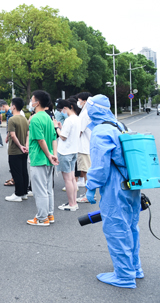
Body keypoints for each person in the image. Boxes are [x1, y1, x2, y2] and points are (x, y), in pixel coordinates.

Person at [84, 94, 143, 288]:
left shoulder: (101, 130)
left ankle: (124, 276)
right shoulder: (121, 126)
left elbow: (100, 166)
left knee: (116, 228)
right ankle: (135, 268)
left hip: (115, 186)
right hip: (132, 184)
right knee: (131, 227)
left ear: (93, 109)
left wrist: (91, 187)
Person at [26, 90, 59, 226]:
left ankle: (42, 218)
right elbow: (54, 138)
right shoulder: (48, 118)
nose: (31, 102)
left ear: (37, 102)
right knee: (48, 188)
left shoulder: (35, 119)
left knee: (39, 190)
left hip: (39, 158)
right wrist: (53, 155)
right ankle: (49, 214)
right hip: (49, 158)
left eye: (32, 99)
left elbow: (40, 140)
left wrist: (49, 155)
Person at [54, 99, 80, 211]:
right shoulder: (77, 118)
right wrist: (61, 127)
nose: (61, 112)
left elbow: (63, 137)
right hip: (74, 151)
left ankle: (71, 204)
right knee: (72, 178)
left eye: (61, 110)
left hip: (65, 152)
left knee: (68, 180)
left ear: (66, 108)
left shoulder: (69, 120)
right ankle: (74, 202)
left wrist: (56, 128)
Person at [4, 98, 30, 202]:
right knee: (24, 171)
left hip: (15, 150)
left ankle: (18, 194)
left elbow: (13, 135)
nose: (10, 107)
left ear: (14, 106)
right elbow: (28, 134)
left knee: (16, 172)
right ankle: (24, 193)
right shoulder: (24, 119)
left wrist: (19, 146)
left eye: (11, 105)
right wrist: (25, 146)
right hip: (24, 150)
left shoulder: (12, 119)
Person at [76, 92, 92, 191]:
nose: (78, 102)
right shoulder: (88, 112)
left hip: (84, 147)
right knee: (87, 171)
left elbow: (79, 131)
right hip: (88, 146)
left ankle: (89, 194)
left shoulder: (84, 114)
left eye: (79, 100)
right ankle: (89, 194)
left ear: (85, 101)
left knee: (86, 172)